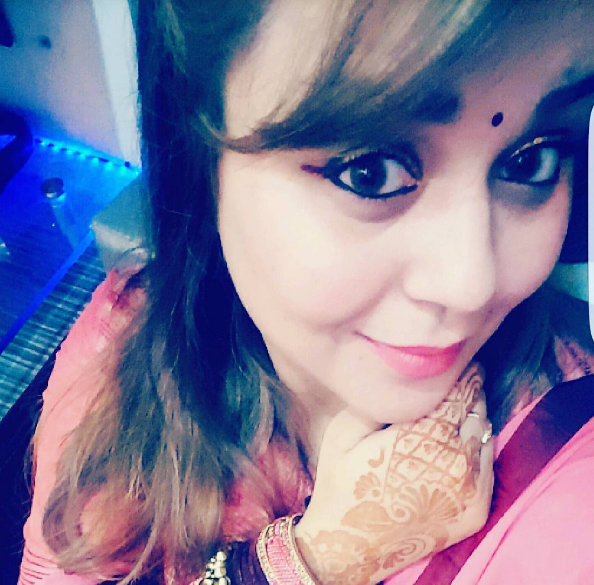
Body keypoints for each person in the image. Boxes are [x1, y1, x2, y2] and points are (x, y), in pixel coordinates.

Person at [18, 1, 594, 584]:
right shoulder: (128, 334)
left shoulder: (567, 476)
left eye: (532, 161)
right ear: (200, 151)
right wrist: (313, 560)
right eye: (370, 171)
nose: (472, 285)